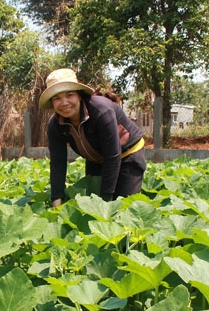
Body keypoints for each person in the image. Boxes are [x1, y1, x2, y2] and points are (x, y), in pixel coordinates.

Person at [40, 68, 146, 207]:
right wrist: (56, 200)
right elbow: (58, 163)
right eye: (57, 98)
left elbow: (112, 156)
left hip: (127, 155)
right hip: (96, 160)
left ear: (79, 95)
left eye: (69, 95)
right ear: (52, 102)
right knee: (90, 204)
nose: (64, 102)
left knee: (122, 205)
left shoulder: (101, 111)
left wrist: (105, 203)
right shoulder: (55, 125)